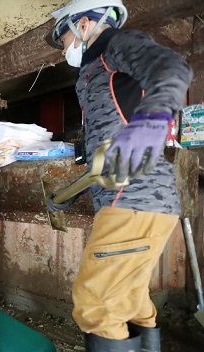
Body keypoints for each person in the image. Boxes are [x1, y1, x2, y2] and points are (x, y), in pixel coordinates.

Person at [46, 0, 193, 351]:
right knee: (130, 298)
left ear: (83, 25)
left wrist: (152, 121)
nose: (63, 49)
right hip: (131, 200)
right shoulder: (93, 71)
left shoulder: (114, 46)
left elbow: (172, 68)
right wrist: (75, 192)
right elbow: (109, 151)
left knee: (96, 303)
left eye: (63, 38)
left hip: (134, 199)